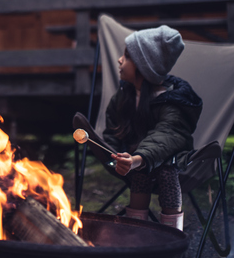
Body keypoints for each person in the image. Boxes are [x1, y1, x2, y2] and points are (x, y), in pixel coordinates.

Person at [75, 25, 202, 230]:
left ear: (144, 67)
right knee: (140, 175)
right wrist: (114, 156)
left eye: (127, 56)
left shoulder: (174, 101)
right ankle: (136, 234)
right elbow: (113, 132)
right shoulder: (124, 97)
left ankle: (172, 237)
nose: (119, 60)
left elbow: (167, 135)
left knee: (166, 170)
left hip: (171, 162)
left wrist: (137, 159)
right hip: (134, 163)